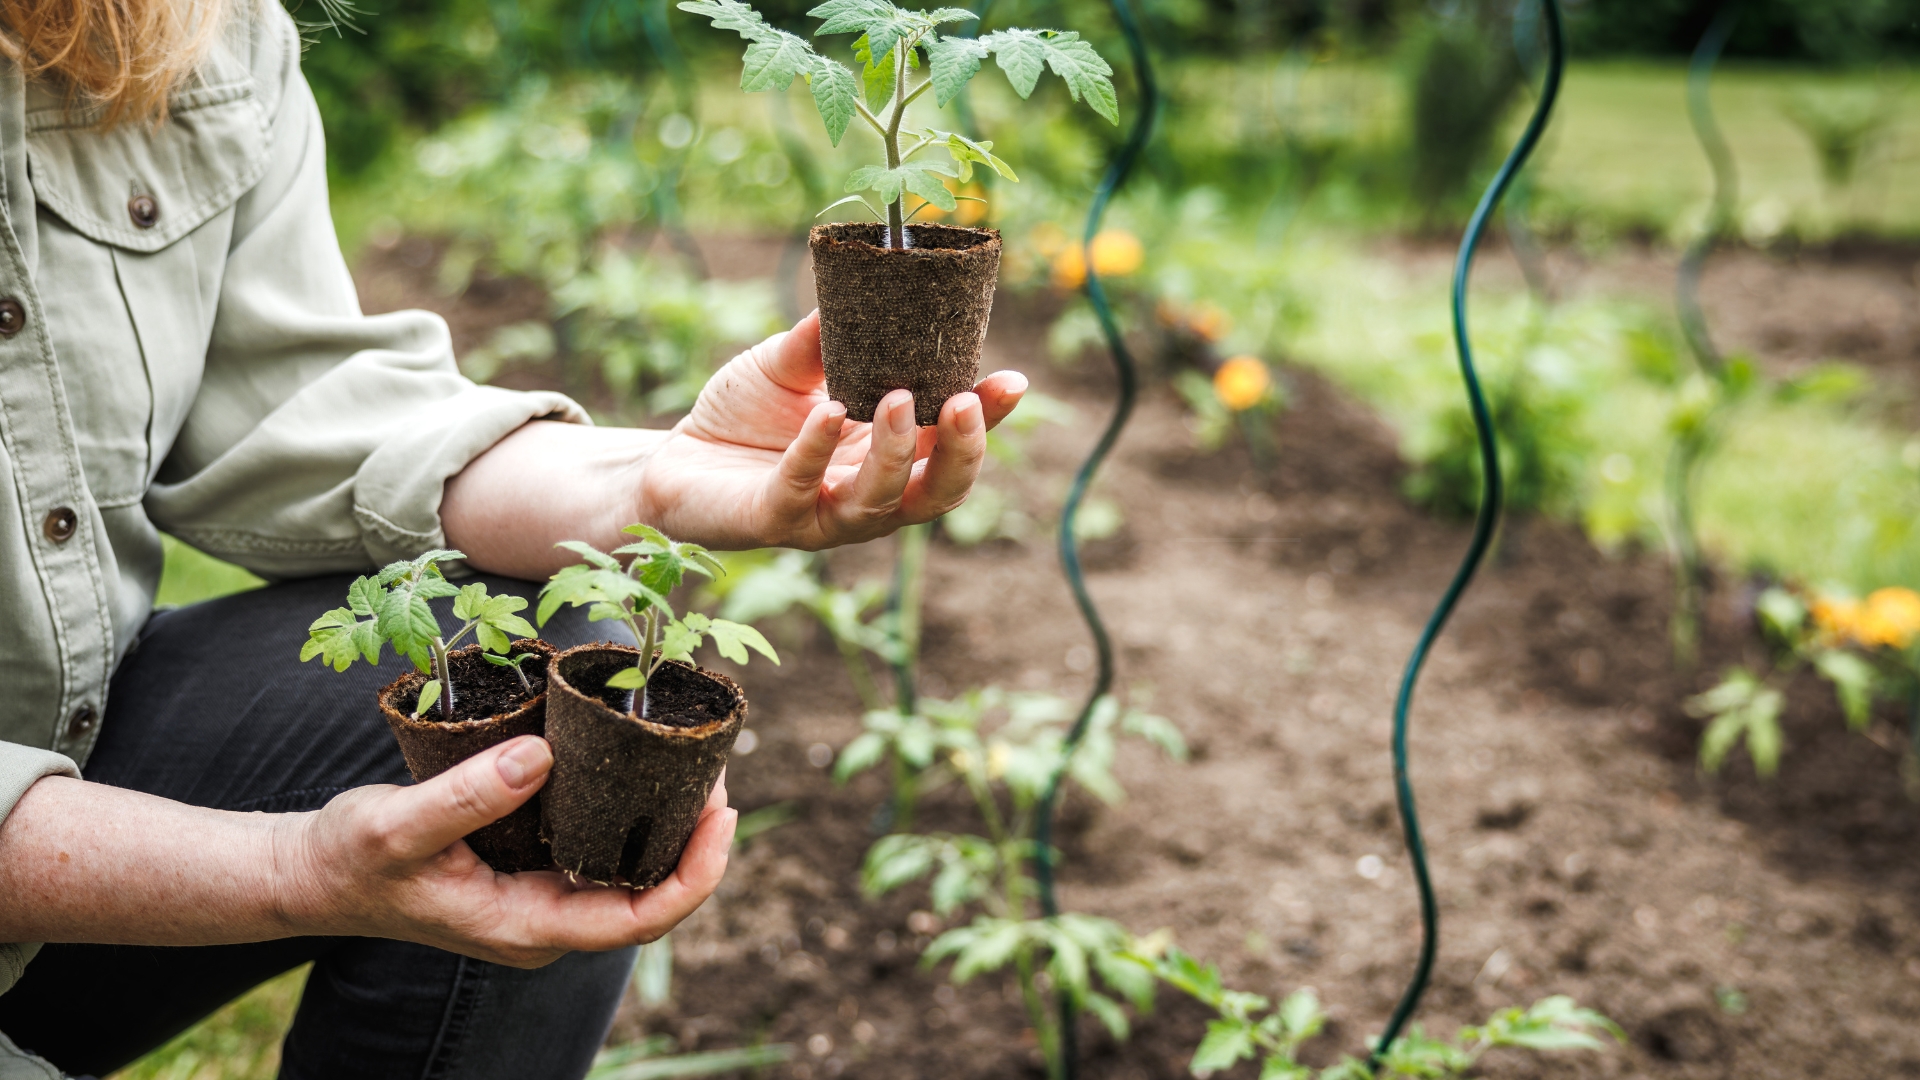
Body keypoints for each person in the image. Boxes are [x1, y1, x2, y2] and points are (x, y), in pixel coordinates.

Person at [0, 0, 1025, 1076]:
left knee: (542, 689)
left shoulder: (181, 30)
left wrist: (655, 480)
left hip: (70, 806)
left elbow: (304, 413)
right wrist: (288, 866)